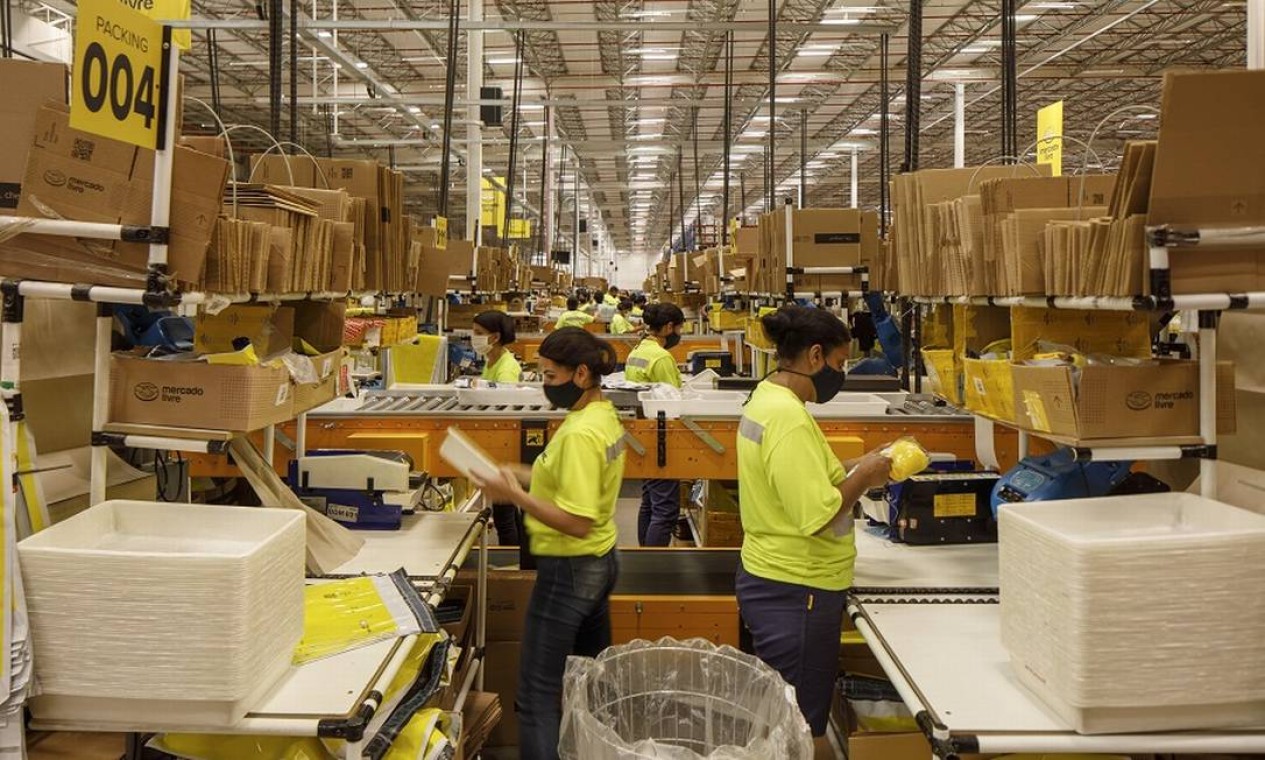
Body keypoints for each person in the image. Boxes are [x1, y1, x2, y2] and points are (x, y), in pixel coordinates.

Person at [734, 305, 894, 751]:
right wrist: (864, 477)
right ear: (816, 356)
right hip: (796, 587)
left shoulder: (768, 397)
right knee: (796, 731)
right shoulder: (787, 418)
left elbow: (801, 476)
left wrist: (861, 464)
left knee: (780, 718)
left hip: (777, 578)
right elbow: (816, 516)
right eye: (841, 364)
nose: (840, 374)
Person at [472, 328, 625, 760]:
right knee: (591, 681)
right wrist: (515, 472)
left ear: (581, 373)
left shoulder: (578, 434)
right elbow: (569, 483)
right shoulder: (599, 415)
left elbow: (576, 521)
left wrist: (514, 496)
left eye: (550, 375)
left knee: (538, 693)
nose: (544, 383)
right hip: (600, 561)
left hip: (570, 569)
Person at [624, 303, 685, 546]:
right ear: (669, 327)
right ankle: (655, 565)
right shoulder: (661, 357)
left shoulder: (637, 350)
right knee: (665, 510)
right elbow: (674, 402)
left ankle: (645, 558)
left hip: (643, 434)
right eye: (679, 329)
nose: (679, 335)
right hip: (663, 439)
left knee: (650, 501)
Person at [472, 310, 522, 384]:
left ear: (496, 337)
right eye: (474, 332)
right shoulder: (492, 361)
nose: (474, 337)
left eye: (479, 333)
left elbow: (503, 394)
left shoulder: (507, 370)